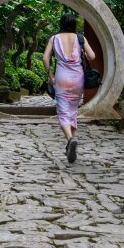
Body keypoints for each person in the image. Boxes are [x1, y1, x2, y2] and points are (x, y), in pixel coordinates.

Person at [42, 12, 96, 163]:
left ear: (61, 24)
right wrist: (82, 52)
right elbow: (92, 56)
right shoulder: (80, 38)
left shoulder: (54, 38)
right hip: (78, 78)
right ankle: (70, 144)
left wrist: (50, 75)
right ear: (74, 25)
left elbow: (45, 58)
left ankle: (70, 139)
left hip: (61, 78)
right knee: (73, 110)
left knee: (62, 111)